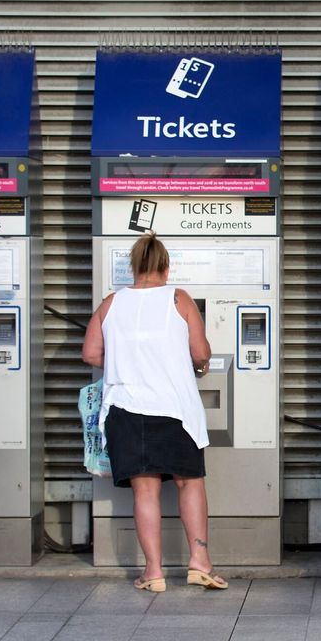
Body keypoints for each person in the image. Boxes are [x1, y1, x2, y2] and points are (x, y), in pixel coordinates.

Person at [82, 232, 226, 592]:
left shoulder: (111, 303)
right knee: (189, 482)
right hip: (175, 409)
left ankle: (154, 572)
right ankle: (200, 562)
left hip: (126, 409)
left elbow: (90, 354)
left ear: (133, 268)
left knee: (144, 491)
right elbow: (201, 353)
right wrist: (196, 367)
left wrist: (123, 363)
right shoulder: (179, 299)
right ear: (165, 266)